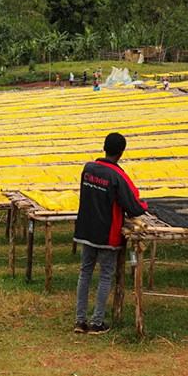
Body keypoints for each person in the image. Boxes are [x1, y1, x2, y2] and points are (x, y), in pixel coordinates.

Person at [72, 132, 147, 335]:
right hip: (107, 232)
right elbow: (133, 204)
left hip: (87, 229)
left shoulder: (88, 169)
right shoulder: (118, 175)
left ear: (104, 147)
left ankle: (80, 322)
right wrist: (145, 205)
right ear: (121, 152)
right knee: (105, 275)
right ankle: (97, 323)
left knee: (85, 273)